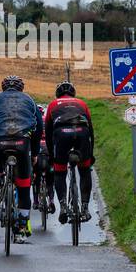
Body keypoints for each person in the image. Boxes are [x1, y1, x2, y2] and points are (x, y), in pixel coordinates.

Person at [0, 75, 41, 239]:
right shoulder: (29, 100)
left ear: (3, 87)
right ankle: (22, 224)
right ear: (22, 88)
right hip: (22, 143)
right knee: (24, 185)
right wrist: (34, 153)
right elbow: (39, 128)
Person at [45, 81, 94, 223]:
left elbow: (48, 132)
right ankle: (85, 207)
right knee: (85, 170)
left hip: (62, 134)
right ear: (73, 93)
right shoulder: (82, 103)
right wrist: (90, 154)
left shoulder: (53, 104)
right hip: (82, 133)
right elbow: (91, 130)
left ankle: (63, 206)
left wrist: (51, 155)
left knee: (60, 172)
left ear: (58, 94)